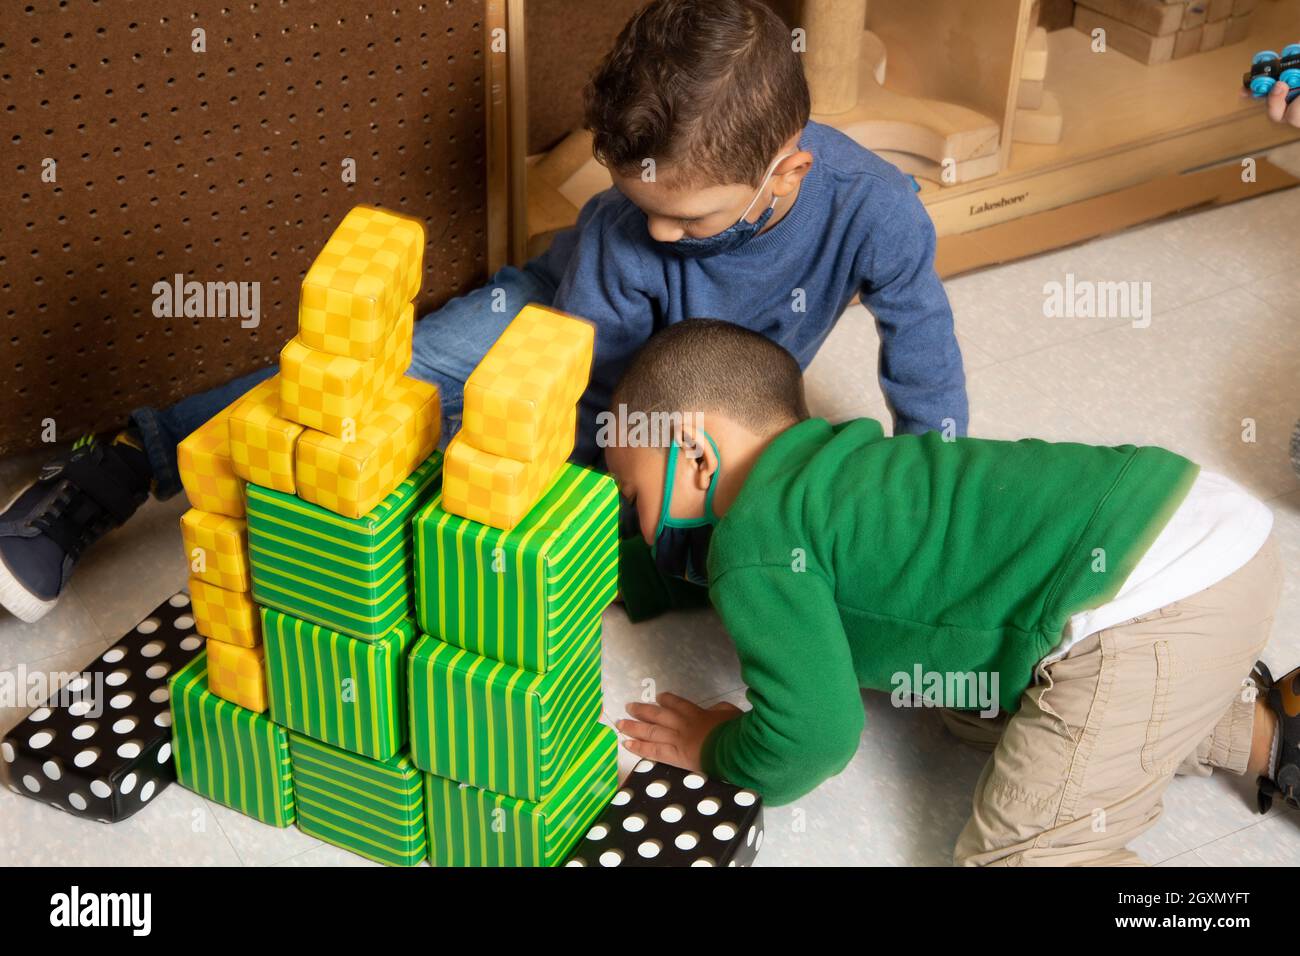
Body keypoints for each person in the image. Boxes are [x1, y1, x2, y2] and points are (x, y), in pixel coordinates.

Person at [0, 0, 966, 623]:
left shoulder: (877, 211)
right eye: (644, 209)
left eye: (689, 218)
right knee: (388, 390)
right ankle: (126, 463)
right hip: (562, 322)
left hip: (703, 383)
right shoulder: (621, 240)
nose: (663, 238)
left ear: (788, 169)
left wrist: (938, 500)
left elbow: (925, 357)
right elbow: (579, 395)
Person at [606, 319, 1297, 866]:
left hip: (1149, 602)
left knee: (1022, 857)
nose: (640, 524)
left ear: (696, 455)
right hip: (1195, 533)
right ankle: (1274, 734)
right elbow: (712, 571)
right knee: (963, 700)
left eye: (632, 495)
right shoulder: (836, 472)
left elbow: (812, 738)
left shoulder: (753, 539)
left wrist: (715, 748)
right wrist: (599, 567)